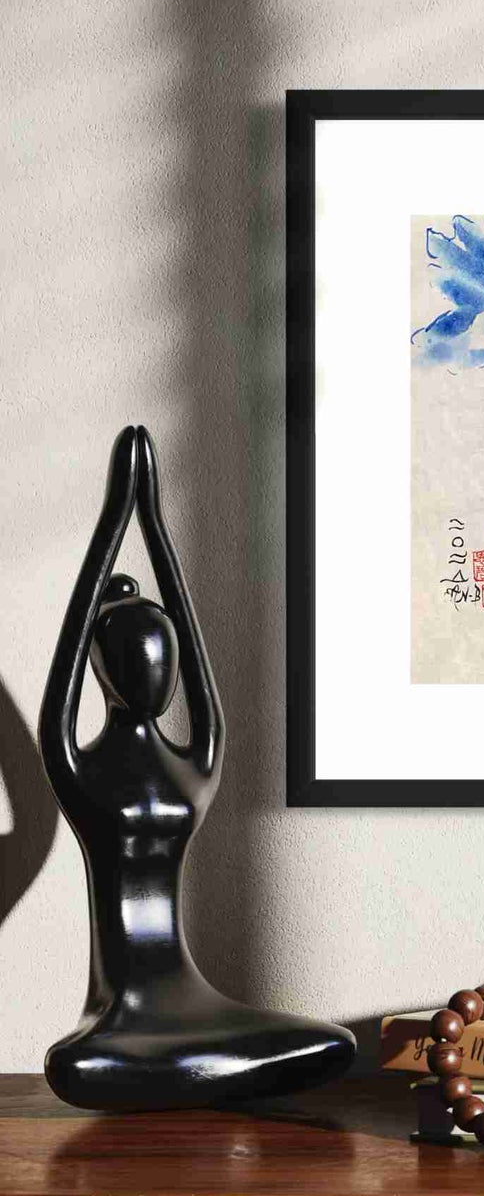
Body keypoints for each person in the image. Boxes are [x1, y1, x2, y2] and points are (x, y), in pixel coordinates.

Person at [39, 427, 353, 1109]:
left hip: (195, 997)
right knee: (76, 1066)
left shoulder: (195, 758)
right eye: (135, 662)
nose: (155, 676)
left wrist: (154, 519)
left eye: (164, 661)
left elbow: (191, 636)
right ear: (103, 672)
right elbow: (65, 664)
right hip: (122, 1010)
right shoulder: (81, 766)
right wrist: (119, 515)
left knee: (335, 1043)